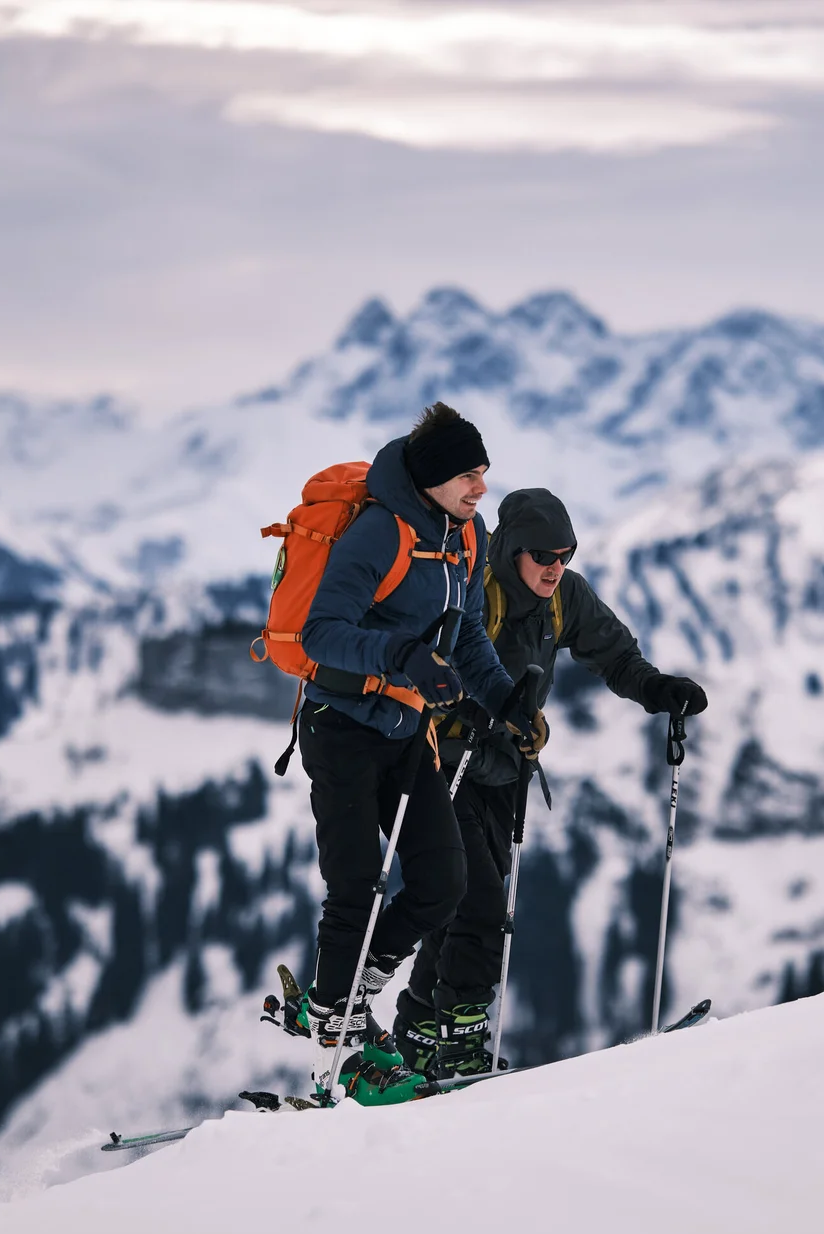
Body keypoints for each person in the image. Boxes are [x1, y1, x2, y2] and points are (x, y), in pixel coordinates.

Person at [392, 487, 708, 1079]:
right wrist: (472, 709)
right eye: (542, 556)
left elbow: (615, 656)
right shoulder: (468, 590)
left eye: (565, 555)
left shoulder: (564, 598)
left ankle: (416, 1037)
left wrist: (658, 690)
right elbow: (418, 669)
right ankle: (460, 1047)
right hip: (440, 765)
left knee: (458, 906)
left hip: (502, 772)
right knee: (481, 906)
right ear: (511, 549)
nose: (554, 567)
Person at [294, 402, 531, 1102]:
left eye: (484, 472)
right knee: (355, 886)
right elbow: (320, 633)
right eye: (468, 475)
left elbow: (466, 635)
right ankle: (338, 1052)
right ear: (431, 478)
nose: (481, 487)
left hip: (406, 732)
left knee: (442, 883)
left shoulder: (466, 536)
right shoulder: (379, 532)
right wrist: (401, 655)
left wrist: (504, 700)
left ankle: (344, 993)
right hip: (341, 728)